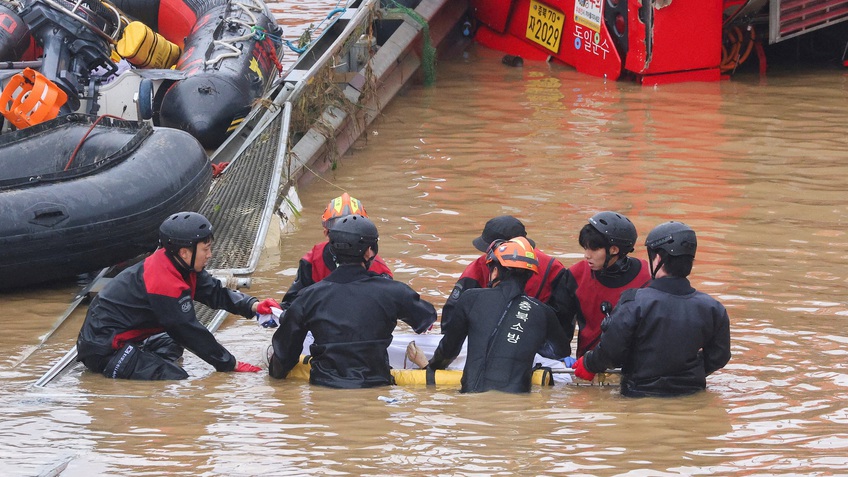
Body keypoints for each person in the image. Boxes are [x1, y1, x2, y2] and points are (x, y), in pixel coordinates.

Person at [76, 212, 280, 380]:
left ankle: (142, 361)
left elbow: (214, 292)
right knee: (176, 378)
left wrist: (253, 306)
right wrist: (230, 364)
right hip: (104, 349)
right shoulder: (164, 282)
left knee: (172, 343)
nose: (209, 255)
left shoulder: (182, 265)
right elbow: (189, 331)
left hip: (129, 336)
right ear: (184, 252)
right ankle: (131, 366)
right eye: (206, 249)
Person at [268, 214, 436, 388]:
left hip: (323, 389)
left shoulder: (308, 297)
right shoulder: (394, 292)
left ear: (332, 249)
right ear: (370, 251)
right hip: (375, 388)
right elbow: (426, 318)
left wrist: (275, 378)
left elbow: (284, 353)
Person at [573, 221, 732, 397]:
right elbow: (720, 356)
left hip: (638, 395)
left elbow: (612, 351)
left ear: (657, 258)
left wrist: (588, 364)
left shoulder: (634, 301)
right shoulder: (713, 308)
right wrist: (689, 372)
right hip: (692, 394)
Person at [426, 237, 571, 393]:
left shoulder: (470, 299)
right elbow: (559, 352)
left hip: (470, 400)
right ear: (530, 275)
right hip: (517, 404)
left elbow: (449, 350)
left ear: (495, 271)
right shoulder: (543, 312)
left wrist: (431, 367)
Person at [441, 215, 569, 336]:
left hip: (532, 342)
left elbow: (562, 318)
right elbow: (451, 319)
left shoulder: (553, 270)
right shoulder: (476, 269)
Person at [550, 211, 652, 362]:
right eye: (585, 248)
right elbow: (559, 324)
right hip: (586, 366)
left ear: (614, 250)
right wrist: (559, 355)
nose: (587, 255)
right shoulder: (575, 275)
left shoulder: (647, 278)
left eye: (594, 249)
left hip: (633, 367)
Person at [279, 192, 392, 312]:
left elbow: (388, 308)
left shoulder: (379, 268)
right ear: (326, 233)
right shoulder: (312, 261)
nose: (345, 240)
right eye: (339, 234)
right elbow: (291, 303)